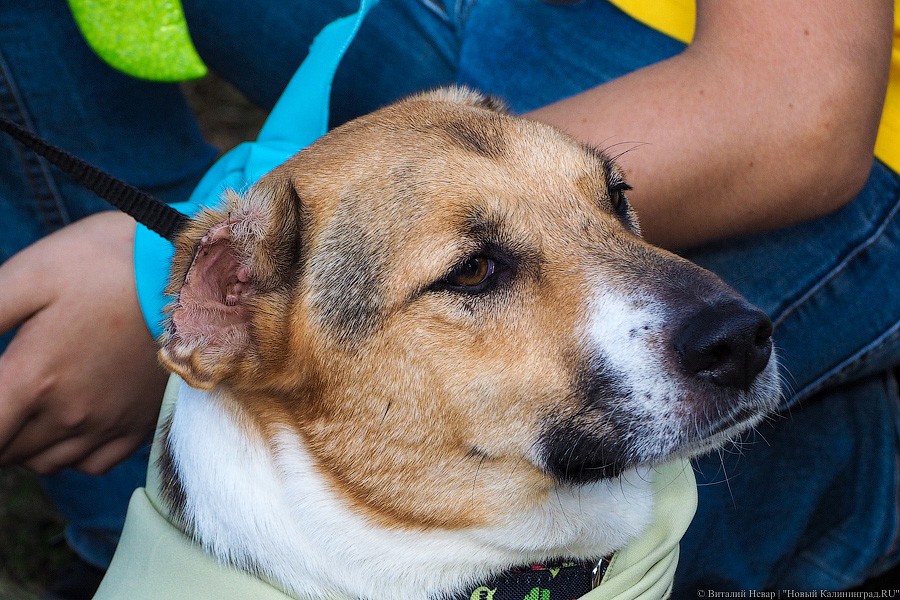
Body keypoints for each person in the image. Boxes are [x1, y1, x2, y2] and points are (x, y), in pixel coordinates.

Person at [0, 0, 896, 596]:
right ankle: (108, 506)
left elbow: (798, 110)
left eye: (609, 198)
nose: (711, 321)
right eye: (475, 271)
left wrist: (139, 276)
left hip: (829, 123)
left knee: (694, 467)